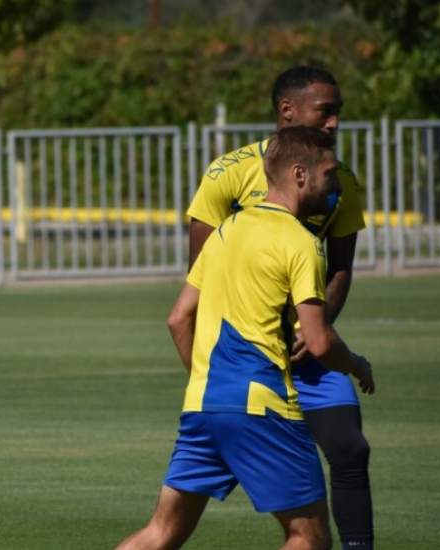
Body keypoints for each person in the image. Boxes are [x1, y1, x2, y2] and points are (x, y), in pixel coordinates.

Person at [117, 126, 376, 550]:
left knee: (160, 533)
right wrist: (357, 365)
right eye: (329, 174)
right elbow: (319, 342)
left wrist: (208, 384)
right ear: (299, 175)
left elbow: (178, 318)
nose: (336, 186)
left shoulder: (225, 232)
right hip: (263, 406)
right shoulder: (301, 242)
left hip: (203, 405)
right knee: (309, 537)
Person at [186, 66, 374, 549]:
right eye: (325, 111)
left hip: (310, 348)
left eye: (338, 112)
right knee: (299, 525)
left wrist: (316, 328)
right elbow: (201, 271)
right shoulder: (228, 172)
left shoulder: (340, 180)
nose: (334, 122)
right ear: (287, 110)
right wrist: (208, 369)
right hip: (247, 359)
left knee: (349, 448)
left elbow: (341, 267)